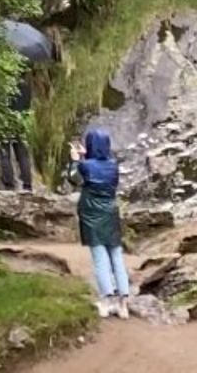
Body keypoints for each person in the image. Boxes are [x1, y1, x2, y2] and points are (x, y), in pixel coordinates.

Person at [68, 128, 129, 318]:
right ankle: (123, 304)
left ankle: (106, 300)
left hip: (91, 214)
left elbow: (74, 179)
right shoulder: (113, 166)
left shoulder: (85, 166)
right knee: (117, 256)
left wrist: (75, 160)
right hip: (110, 213)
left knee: (100, 257)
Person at [0, 65, 34, 191]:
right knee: (23, 154)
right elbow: (28, 106)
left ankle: (9, 183)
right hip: (21, 122)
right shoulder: (27, 88)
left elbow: (0, 106)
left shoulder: (5, 87)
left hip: (5, 122)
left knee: (5, 153)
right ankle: (27, 184)